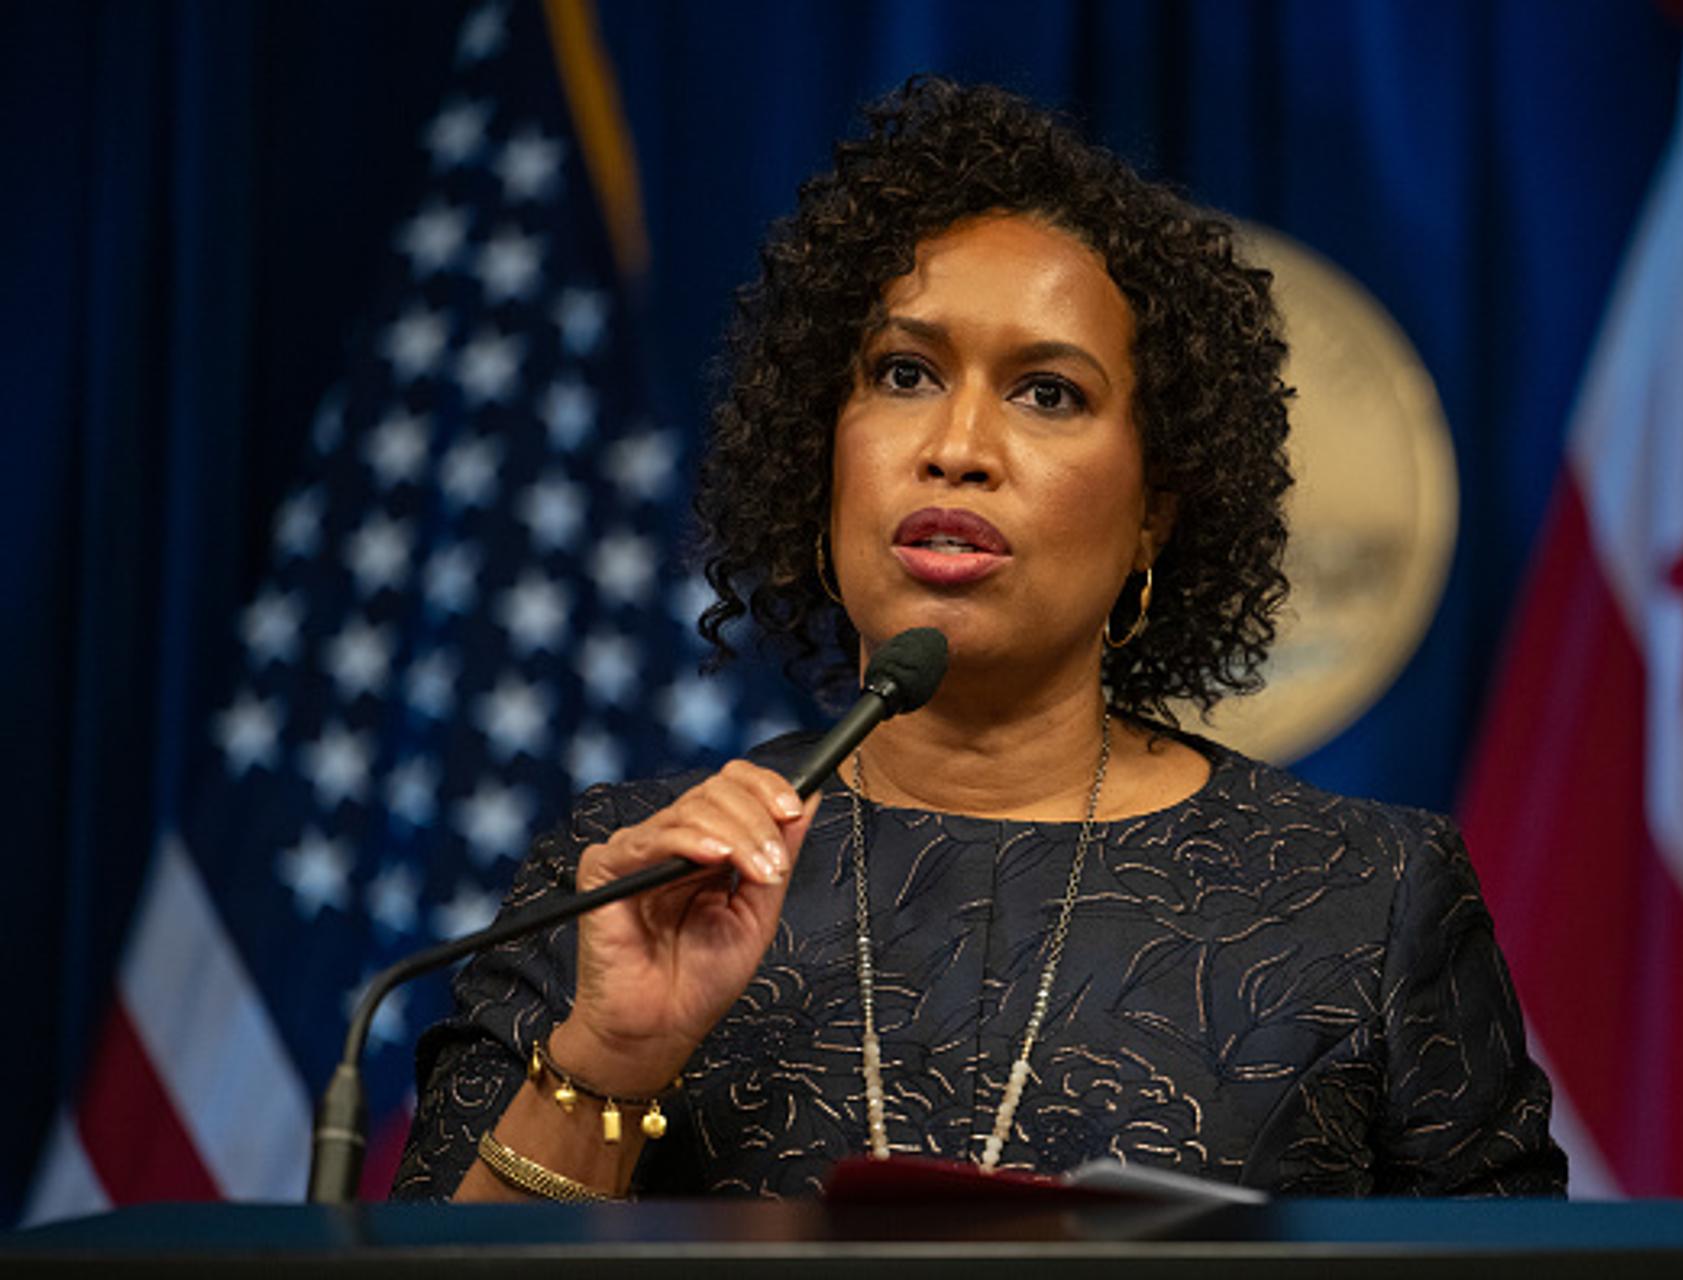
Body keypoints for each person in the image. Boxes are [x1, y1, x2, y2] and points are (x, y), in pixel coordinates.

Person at [392, 77, 1566, 1202]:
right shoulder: (630, 876)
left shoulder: (1365, 897)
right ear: (823, 451)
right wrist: (609, 1052)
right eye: (904, 373)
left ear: (1155, 507)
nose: (957, 444)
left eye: (1047, 392)